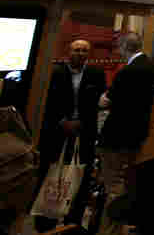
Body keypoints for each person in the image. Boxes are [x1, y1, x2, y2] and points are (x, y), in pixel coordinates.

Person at [35, 39, 106, 233]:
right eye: (77, 50)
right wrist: (62, 121)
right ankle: (44, 221)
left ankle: (72, 221)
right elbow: (45, 100)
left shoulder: (96, 74)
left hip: (84, 132)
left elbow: (98, 104)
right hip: (56, 132)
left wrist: (81, 122)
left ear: (88, 54)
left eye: (84, 51)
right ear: (69, 51)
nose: (80, 53)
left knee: (80, 175)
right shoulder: (54, 73)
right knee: (50, 173)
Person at [96, 33, 154, 235]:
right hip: (138, 136)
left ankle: (109, 231)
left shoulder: (127, 71)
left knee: (113, 185)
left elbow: (108, 100)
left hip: (115, 136)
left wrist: (103, 100)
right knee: (126, 182)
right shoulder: (153, 68)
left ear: (123, 48)